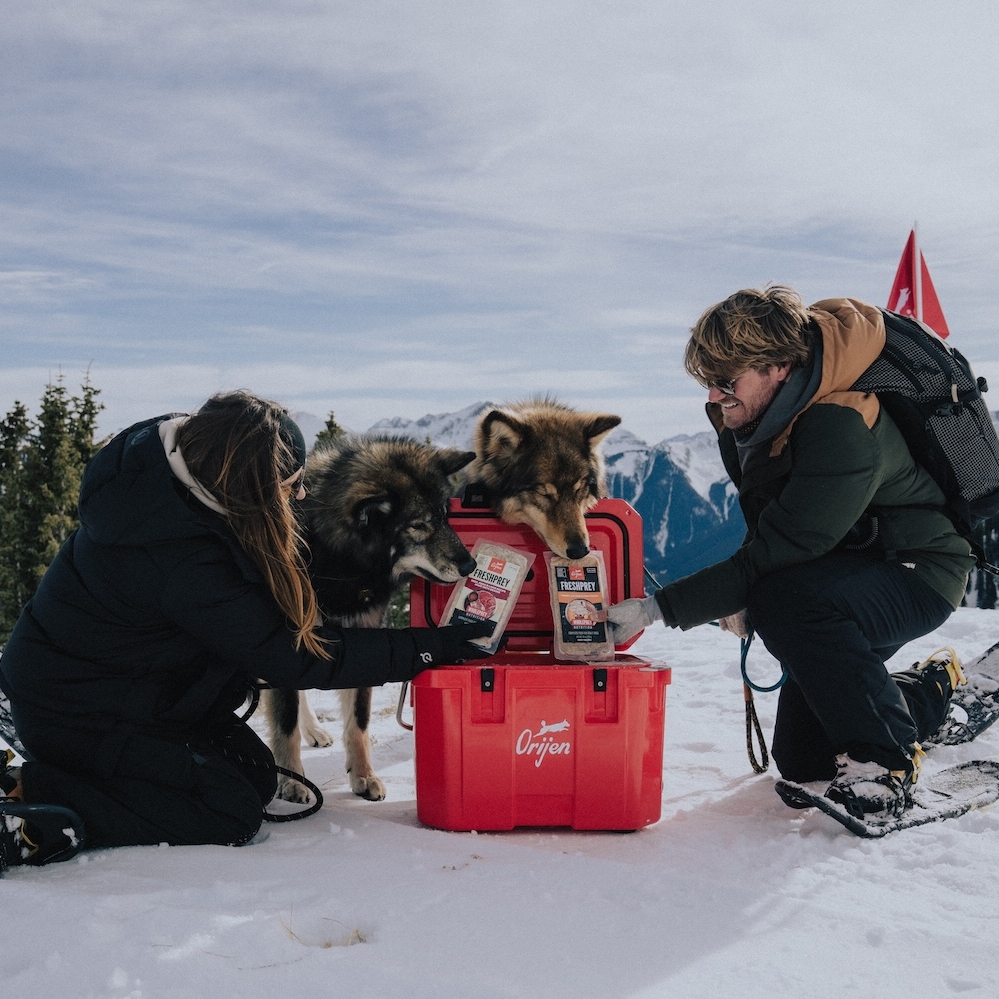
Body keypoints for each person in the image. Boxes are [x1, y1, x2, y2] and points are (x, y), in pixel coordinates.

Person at [0, 390, 489, 873]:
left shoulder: (184, 489)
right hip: (74, 712)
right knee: (228, 810)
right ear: (251, 488)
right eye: (291, 487)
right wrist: (430, 648)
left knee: (255, 777)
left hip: (140, 693)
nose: (301, 496)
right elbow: (298, 658)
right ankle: (35, 806)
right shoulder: (185, 559)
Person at [608, 286, 975, 821]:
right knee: (804, 761)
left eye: (726, 380)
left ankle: (884, 763)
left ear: (778, 367)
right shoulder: (761, 421)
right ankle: (924, 691)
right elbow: (773, 529)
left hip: (918, 571)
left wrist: (655, 609)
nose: (714, 394)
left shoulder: (840, 425)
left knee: (784, 602)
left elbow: (785, 549)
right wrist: (736, 591)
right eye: (709, 381)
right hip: (846, 573)